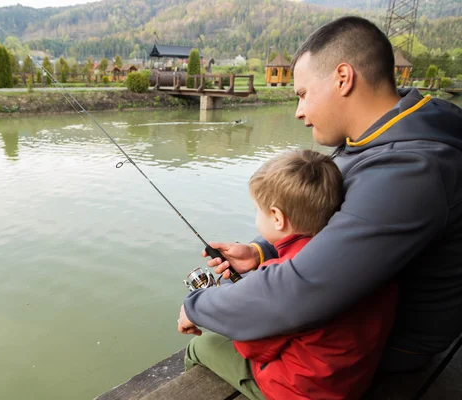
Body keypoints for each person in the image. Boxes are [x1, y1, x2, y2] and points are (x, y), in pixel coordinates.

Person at [178, 13, 462, 389]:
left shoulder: (412, 171)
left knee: (209, 345)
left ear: (343, 78)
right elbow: (333, 225)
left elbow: (299, 292)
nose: (298, 111)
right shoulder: (377, 140)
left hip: (385, 351)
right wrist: (260, 252)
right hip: (362, 328)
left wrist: (197, 305)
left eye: (302, 94)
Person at [183, 149, 398, 400]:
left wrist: (224, 309)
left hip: (303, 391)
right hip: (351, 378)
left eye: (257, 210)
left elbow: (250, 346)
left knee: (200, 346)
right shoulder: (358, 255)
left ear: (276, 217)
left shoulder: (289, 281)